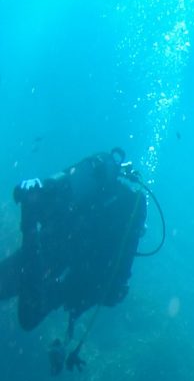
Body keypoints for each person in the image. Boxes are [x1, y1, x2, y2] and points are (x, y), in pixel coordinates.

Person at [3, 148, 150, 368]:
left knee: (17, 296)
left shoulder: (100, 194)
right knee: (28, 316)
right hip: (71, 271)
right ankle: (30, 226)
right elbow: (112, 289)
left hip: (55, 246)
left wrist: (38, 196)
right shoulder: (125, 220)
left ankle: (30, 225)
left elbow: (60, 192)